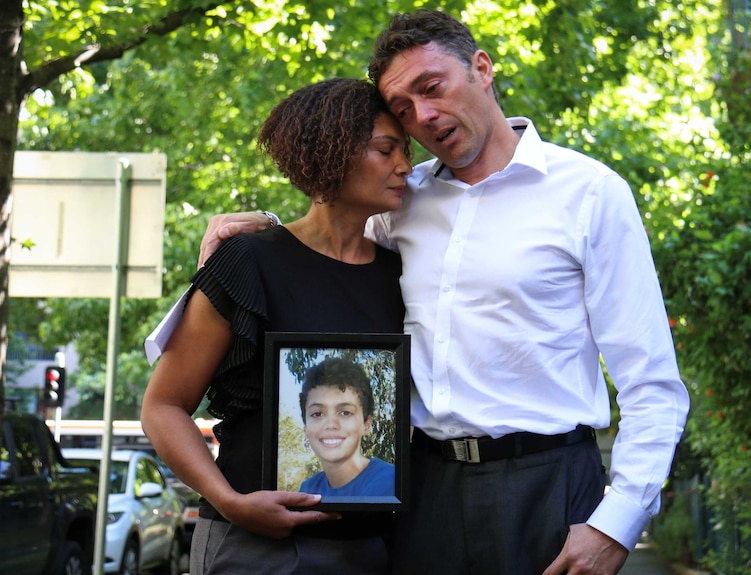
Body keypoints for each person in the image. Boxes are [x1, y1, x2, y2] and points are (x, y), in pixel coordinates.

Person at [151, 9, 690, 575]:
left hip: (549, 482)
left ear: (481, 68)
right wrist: (261, 227)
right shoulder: (404, 203)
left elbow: (651, 381)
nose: (423, 117)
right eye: (403, 109)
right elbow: (327, 238)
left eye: (431, 88)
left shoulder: (590, 194)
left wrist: (617, 522)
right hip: (423, 492)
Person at [141, 77, 412, 574]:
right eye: (385, 149)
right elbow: (163, 406)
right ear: (332, 152)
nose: (405, 166)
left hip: (375, 547)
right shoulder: (247, 262)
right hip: (253, 546)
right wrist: (227, 500)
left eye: (405, 151)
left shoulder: (403, 276)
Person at [298, 357, 395, 498]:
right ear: (306, 428)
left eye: (345, 413)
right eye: (317, 414)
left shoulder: (389, 481)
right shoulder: (308, 489)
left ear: (366, 424)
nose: (331, 424)